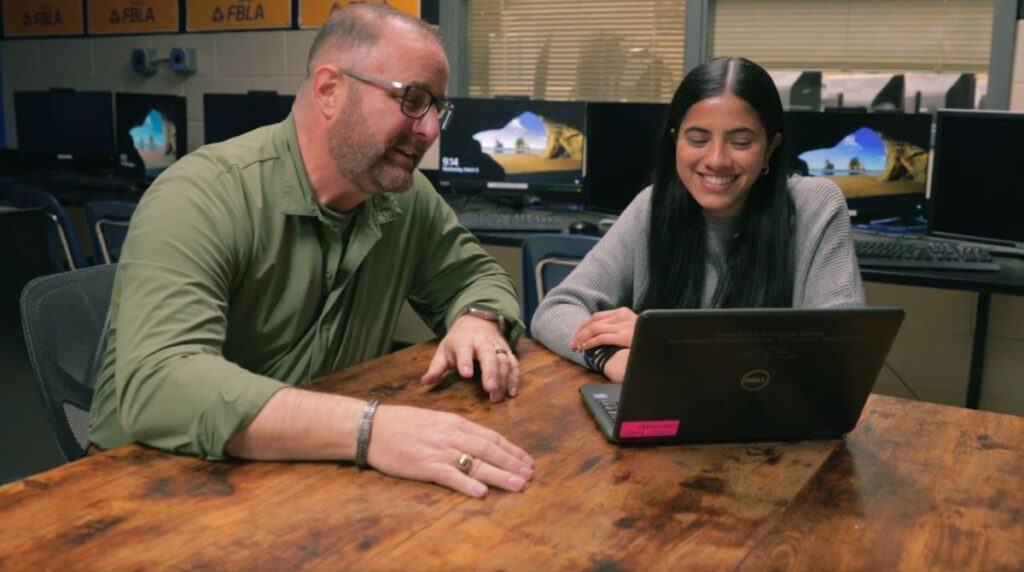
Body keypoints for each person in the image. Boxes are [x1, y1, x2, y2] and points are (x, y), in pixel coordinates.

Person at [88, 4, 534, 499]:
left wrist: (476, 318)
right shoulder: (201, 195)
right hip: (150, 485)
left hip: (300, 478)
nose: (431, 130)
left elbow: (479, 279)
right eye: (412, 100)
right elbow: (161, 386)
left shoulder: (403, 199)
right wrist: (372, 429)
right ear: (329, 90)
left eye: (438, 108)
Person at [530, 56, 865, 382]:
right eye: (698, 139)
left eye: (741, 142)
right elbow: (557, 309)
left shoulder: (815, 206)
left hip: (767, 422)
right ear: (676, 139)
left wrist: (666, 342)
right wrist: (608, 357)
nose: (717, 159)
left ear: (770, 147)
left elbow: (839, 350)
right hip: (666, 412)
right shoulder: (651, 206)